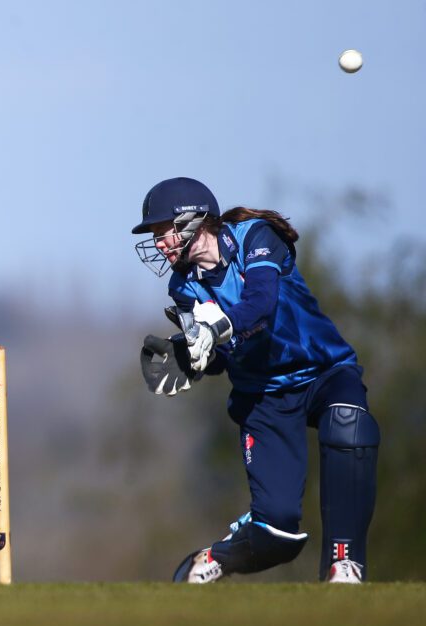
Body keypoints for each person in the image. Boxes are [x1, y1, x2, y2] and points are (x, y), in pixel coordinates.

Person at [134, 177, 379, 584]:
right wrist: (197, 359)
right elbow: (225, 354)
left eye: (164, 232)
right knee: (277, 534)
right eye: (155, 236)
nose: (159, 243)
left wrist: (218, 329)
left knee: (349, 426)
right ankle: (216, 556)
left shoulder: (255, 238)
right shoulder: (184, 286)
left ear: (194, 221)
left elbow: (261, 305)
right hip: (262, 394)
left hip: (324, 369)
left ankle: (344, 563)